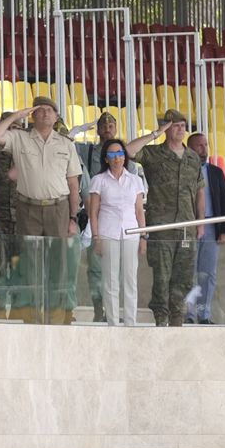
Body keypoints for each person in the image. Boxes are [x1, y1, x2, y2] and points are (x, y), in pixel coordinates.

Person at [0, 97, 82, 324]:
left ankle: (57, 315)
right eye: (40, 111)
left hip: (58, 208)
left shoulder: (66, 144)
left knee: (58, 264)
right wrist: (16, 116)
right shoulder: (19, 138)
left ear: (57, 116)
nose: (45, 114)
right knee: (29, 263)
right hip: (27, 207)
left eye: (50, 110)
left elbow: (73, 184)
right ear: (32, 115)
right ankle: (31, 315)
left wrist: (72, 217)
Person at [126, 109, 205, 327]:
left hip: (187, 225)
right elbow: (129, 151)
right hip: (162, 226)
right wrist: (155, 133)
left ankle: (177, 318)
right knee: (162, 276)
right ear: (167, 128)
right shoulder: (154, 154)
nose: (180, 130)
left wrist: (200, 222)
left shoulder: (192, 157)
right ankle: (161, 317)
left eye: (183, 125)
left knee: (184, 276)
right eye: (175, 126)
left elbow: (199, 190)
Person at [88, 139, 147, 326]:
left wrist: (143, 236)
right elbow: (93, 212)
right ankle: (112, 322)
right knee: (111, 280)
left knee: (130, 279)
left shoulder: (135, 180)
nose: (117, 159)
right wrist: (96, 237)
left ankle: (131, 322)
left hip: (131, 232)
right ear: (106, 159)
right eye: (112, 155)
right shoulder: (99, 180)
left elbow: (139, 210)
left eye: (120, 154)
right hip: (108, 232)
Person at [76, 111, 122, 322]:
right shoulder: (88, 151)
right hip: (95, 216)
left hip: (117, 218)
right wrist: (79, 130)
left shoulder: (123, 154)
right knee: (96, 269)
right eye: (103, 125)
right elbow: (65, 140)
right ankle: (98, 311)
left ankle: (113, 311)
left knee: (116, 270)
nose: (107, 128)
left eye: (111, 124)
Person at [186, 132, 225, 325]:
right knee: (188, 272)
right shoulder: (184, 171)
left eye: (206, 145)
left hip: (212, 226)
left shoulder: (215, 172)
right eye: (199, 146)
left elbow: (224, 201)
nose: (204, 150)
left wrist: (224, 230)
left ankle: (203, 315)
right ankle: (188, 315)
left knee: (208, 274)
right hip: (189, 226)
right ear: (189, 149)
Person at [0, 113, 24, 321]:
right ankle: (0, 308)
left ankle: (17, 308)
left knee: (19, 266)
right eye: (9, 128)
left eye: (17, 128)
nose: (13, 133)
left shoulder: (27, 151)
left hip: (23, 217)